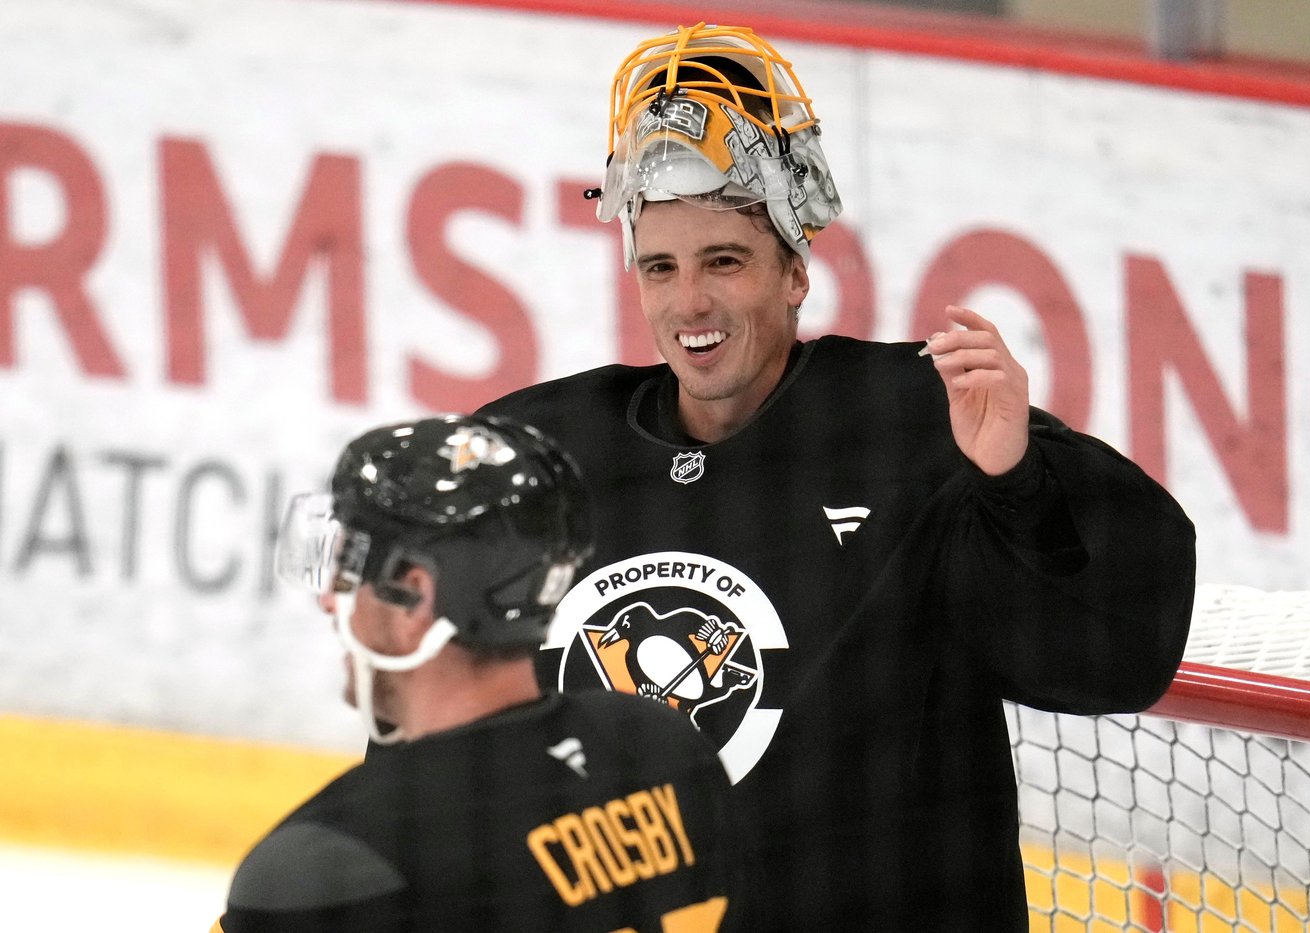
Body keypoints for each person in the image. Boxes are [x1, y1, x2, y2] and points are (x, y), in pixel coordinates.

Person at [476, 22, 1198, 931]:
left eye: (724, 261)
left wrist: (1016, 478)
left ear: (795, 274)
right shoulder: (551, 447)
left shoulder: (912, 425)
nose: (688, 302)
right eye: (661, 267)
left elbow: (1114, 659)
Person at [214, 414, 749, 932]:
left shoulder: (334, 862)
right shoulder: (663, 748)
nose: (331, 600)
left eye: (350, 569)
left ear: (414, 595)